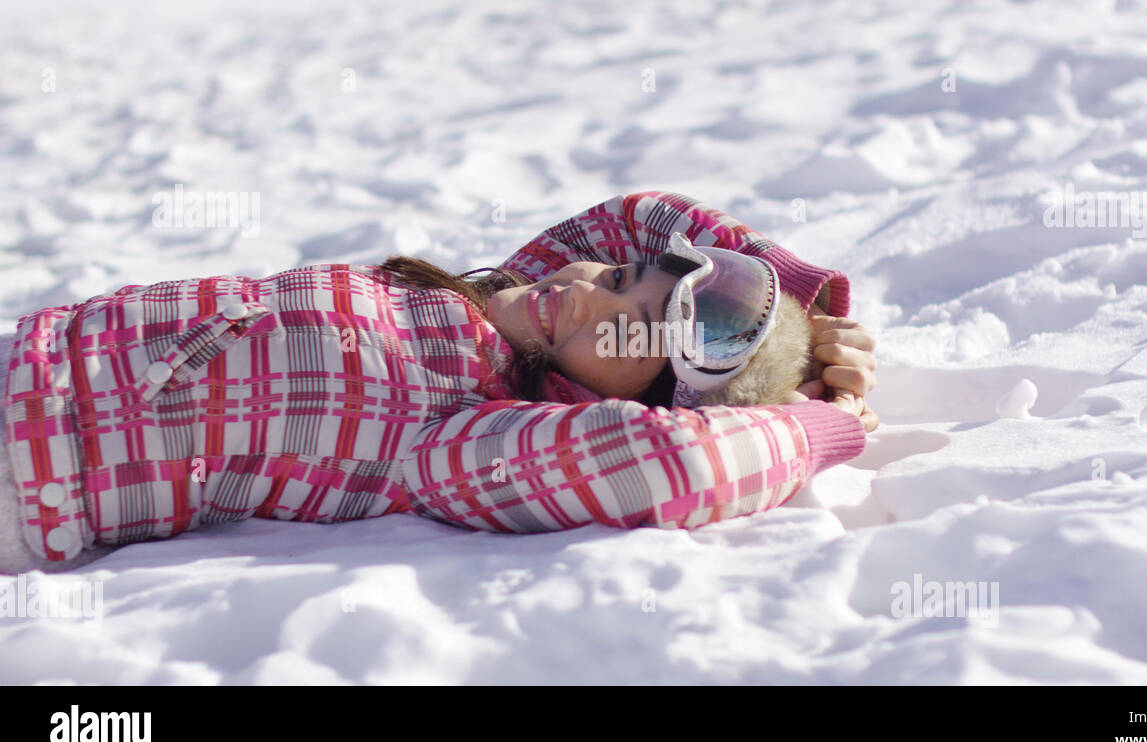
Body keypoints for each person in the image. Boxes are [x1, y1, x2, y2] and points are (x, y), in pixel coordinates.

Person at [0, 190, 878, 574]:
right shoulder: (503, 287)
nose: (582, 299)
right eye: (614, 280)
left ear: (638, 395)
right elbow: (637, 213)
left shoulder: (464, 433)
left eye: (623, 331)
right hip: (26, 350)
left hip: (30, 469)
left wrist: (824, 418)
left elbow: (670, 465)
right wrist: (797, 293)